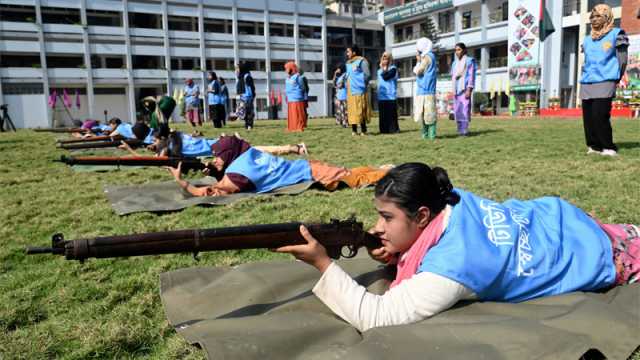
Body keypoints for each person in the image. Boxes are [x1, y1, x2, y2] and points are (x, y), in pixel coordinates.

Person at [275, 162, 639, 332]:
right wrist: (398, 248)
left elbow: (376, 317)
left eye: (387, 218)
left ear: (421, 216)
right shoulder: (449, 199)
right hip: (563, 220)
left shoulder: (452, 267)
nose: (378, 228)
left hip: (593, 252)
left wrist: (324, 264)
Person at [166, 136, 389, 197]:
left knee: (356, 181)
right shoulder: (247, 155)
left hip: (312, 174)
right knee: (349, 173)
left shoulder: (237, 175)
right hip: (309, 167)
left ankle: (389, 173)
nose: (214, 159)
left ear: (229, 154)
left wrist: (183, 183)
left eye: (218, 156)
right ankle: (377, 168)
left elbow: (212, 192)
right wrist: (218, 170)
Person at [580, 4, 629, 157]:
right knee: (588, 118)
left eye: (598, 16)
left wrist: (616, 77)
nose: (594, 20)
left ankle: (608, 147)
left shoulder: (617, 34)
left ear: (607, 17)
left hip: (606, 80)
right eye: (592, 17)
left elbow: (622, 61)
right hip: (587, 81)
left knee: (599, 115)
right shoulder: (587, 40)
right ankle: (594, 146)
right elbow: (586, 61)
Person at [121, 123, 309, 159]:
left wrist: (129, 149)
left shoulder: (169, 147)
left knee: (259, 152)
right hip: (219, 143)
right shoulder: (177, 136)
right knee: (258, 151)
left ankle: (295, 148)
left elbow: (151, 159)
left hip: (221, 148)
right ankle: (295, 148)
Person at [414, 38, 438, 139]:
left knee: (428, 114)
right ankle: (427, 134)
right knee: (425, 113)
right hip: (426, 89)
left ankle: (429, 135)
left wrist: (418, 62)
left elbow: (419, 71)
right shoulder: (430, 56)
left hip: (425, 90)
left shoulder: (427, 57)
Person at [451, 43, 476, 136]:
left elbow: (471, 76)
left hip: (464, 89)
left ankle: (464, 130)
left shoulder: (469, 61)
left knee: (464, 109)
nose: (457, 52)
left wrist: (469, 89)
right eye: (456, 50)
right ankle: (459, 130)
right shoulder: (454, 63)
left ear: (464, 50)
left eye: (459, 49)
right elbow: (453, 77)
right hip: (456, 90)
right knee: (458, 110)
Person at [345, 45, 371, 136]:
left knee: (361, 109)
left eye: (348, 51)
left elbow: (367, 75)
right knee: (352, 111)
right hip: (350, 91)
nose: (347, 53)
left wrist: (362, 84)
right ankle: (354, 130)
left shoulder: (362, 61)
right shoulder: (348, 63)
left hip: (359, 90)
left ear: (354, 52)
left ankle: (363, 130)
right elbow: (348, 76)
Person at [377, 52, 399, 134]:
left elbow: (386, 77)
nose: (384, 60)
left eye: (386, 58)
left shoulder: (393, 69)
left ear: (390, 60)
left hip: (391, 96)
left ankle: (394, 129)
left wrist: (383, 69)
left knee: (391, 115)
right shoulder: (379, 71)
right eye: (383, 58)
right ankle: (383, 130)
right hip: (381, 96)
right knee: (383, 116)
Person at [284, 62, 307, 132]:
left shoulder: (298, 77)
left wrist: (303, 96)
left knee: (298, 114)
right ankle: (291, 127)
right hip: (290, 99)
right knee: (291, 114)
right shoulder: (287, 78)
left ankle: (299, 127)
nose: (286, 70)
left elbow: (303, 87)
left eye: (287, 68)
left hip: (297, 98)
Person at [235, 62, 256, 130]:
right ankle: (246, 125)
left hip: (248, 97)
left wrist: (252, 96)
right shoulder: (240, 77)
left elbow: (252, 87)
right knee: (244, 112)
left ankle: (249, 125)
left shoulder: (247, 76)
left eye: (238, 68)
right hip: (242, 97)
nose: (237, 70)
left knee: (249, 111)